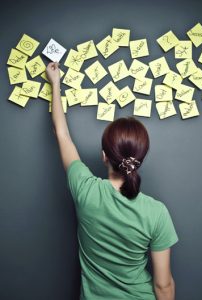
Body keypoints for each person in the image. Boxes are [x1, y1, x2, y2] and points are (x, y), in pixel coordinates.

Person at [46, 62, 179, 300]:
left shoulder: (85, 191)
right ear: (140, 159)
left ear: (104, 155)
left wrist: (55, 83)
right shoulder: (157, 213)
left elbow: (62, 133)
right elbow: (163, 286)